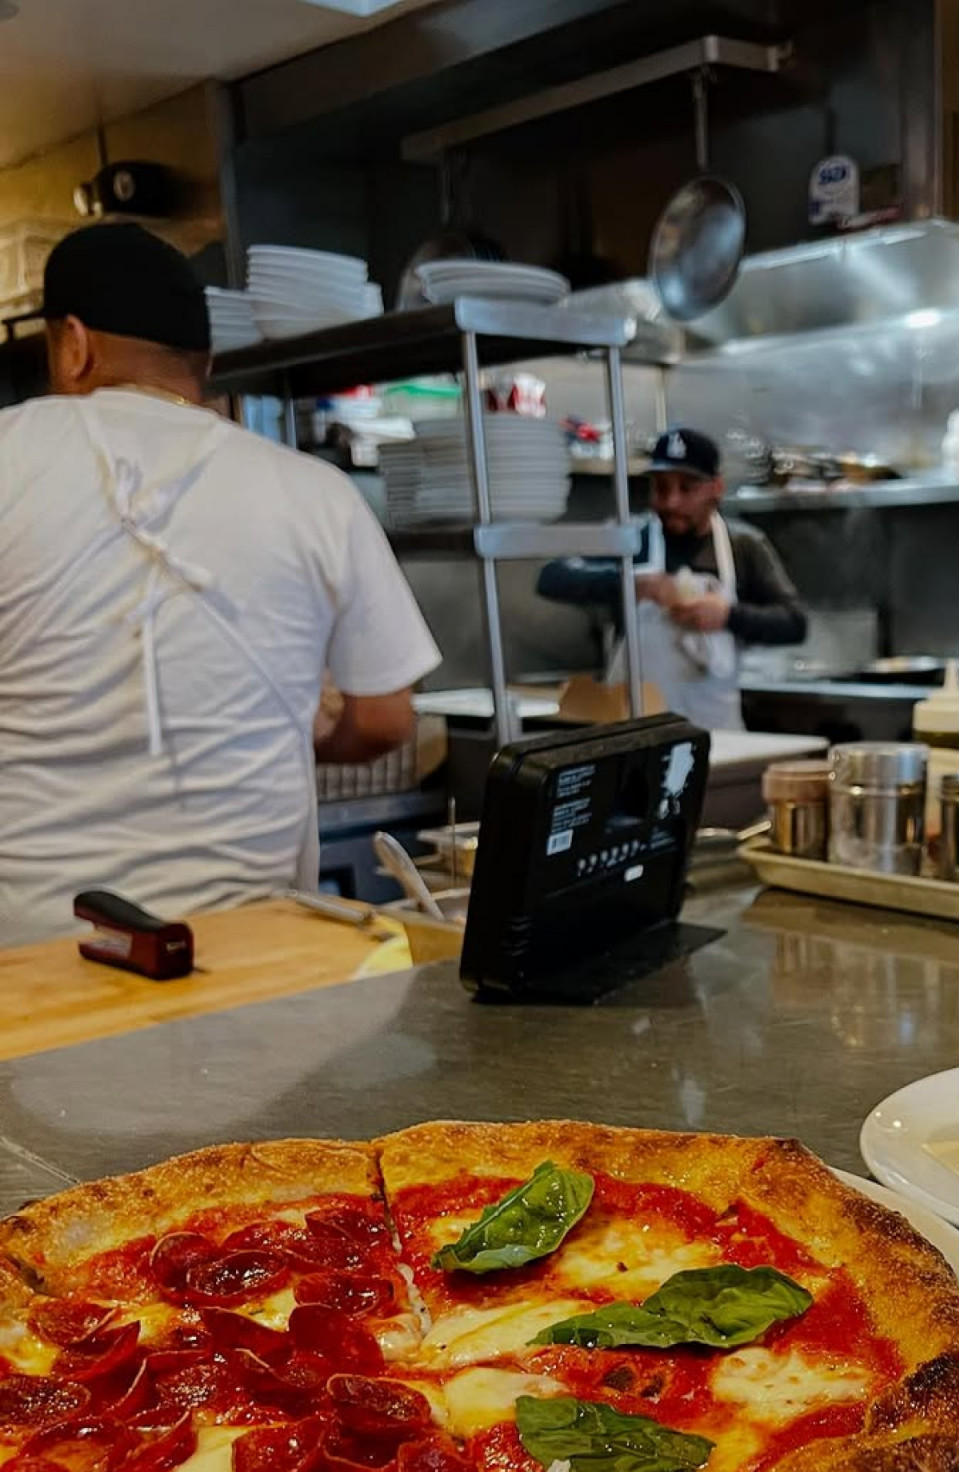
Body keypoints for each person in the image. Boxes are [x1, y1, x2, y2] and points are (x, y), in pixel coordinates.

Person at [0, 222, 440, 946]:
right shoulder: (315, 493)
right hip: (246, 955)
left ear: (73, 343)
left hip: (36, 961)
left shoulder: (13, 457)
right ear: (201, 362)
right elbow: (389, 720)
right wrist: (294, 729)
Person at [537, 426, 807, 730]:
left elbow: (794, 623)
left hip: (716, 732)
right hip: (636, 731)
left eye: (686, 488)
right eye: (661, 487)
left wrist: (728, 616)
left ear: (715, 488)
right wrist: (632, 584)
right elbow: (551, 576)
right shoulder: (631, 539)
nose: (671, 502)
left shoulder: (743, 545)